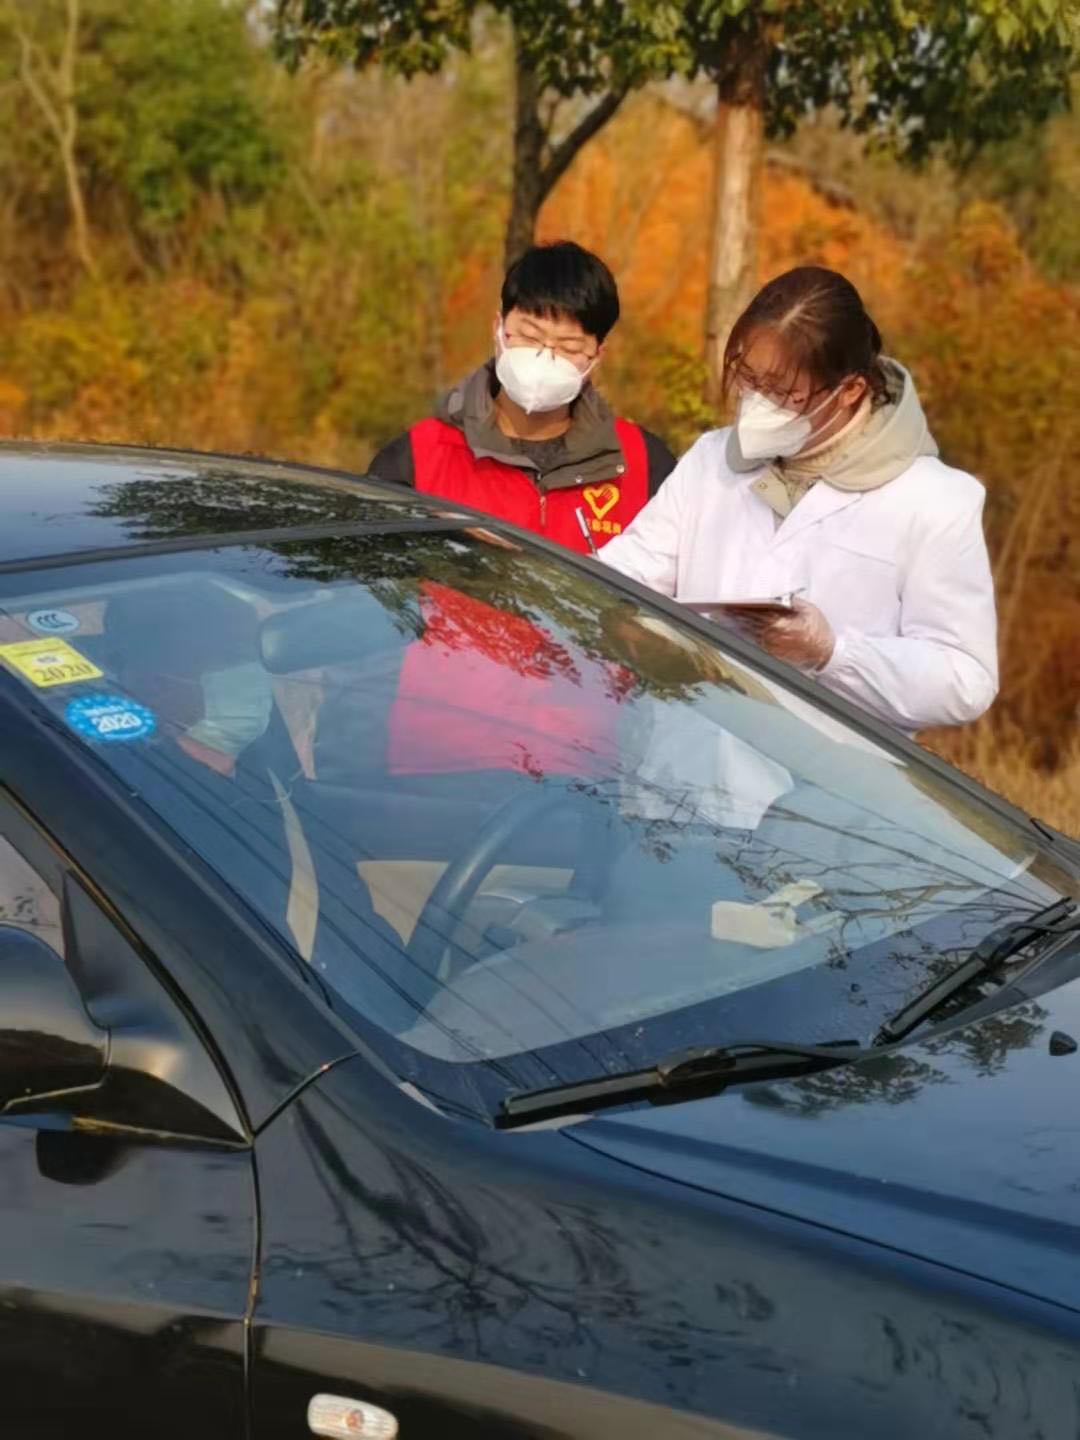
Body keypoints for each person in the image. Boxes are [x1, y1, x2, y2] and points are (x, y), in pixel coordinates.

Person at [600, 265, 998, 733]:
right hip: (682, 752)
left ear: (850, 391)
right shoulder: (712, 460)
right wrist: (630, 624)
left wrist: (832, 653)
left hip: (827, 773)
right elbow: (627, 571)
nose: (757, 401)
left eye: (782, 392)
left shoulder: (934, 501)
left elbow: (965, 679)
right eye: (749, 378)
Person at [368, 240, 677, 552]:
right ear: (498, 329)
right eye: (530, 336)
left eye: (569, 347)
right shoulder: (419, 458)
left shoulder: (643, 464)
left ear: (597, 356)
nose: (545, 357)